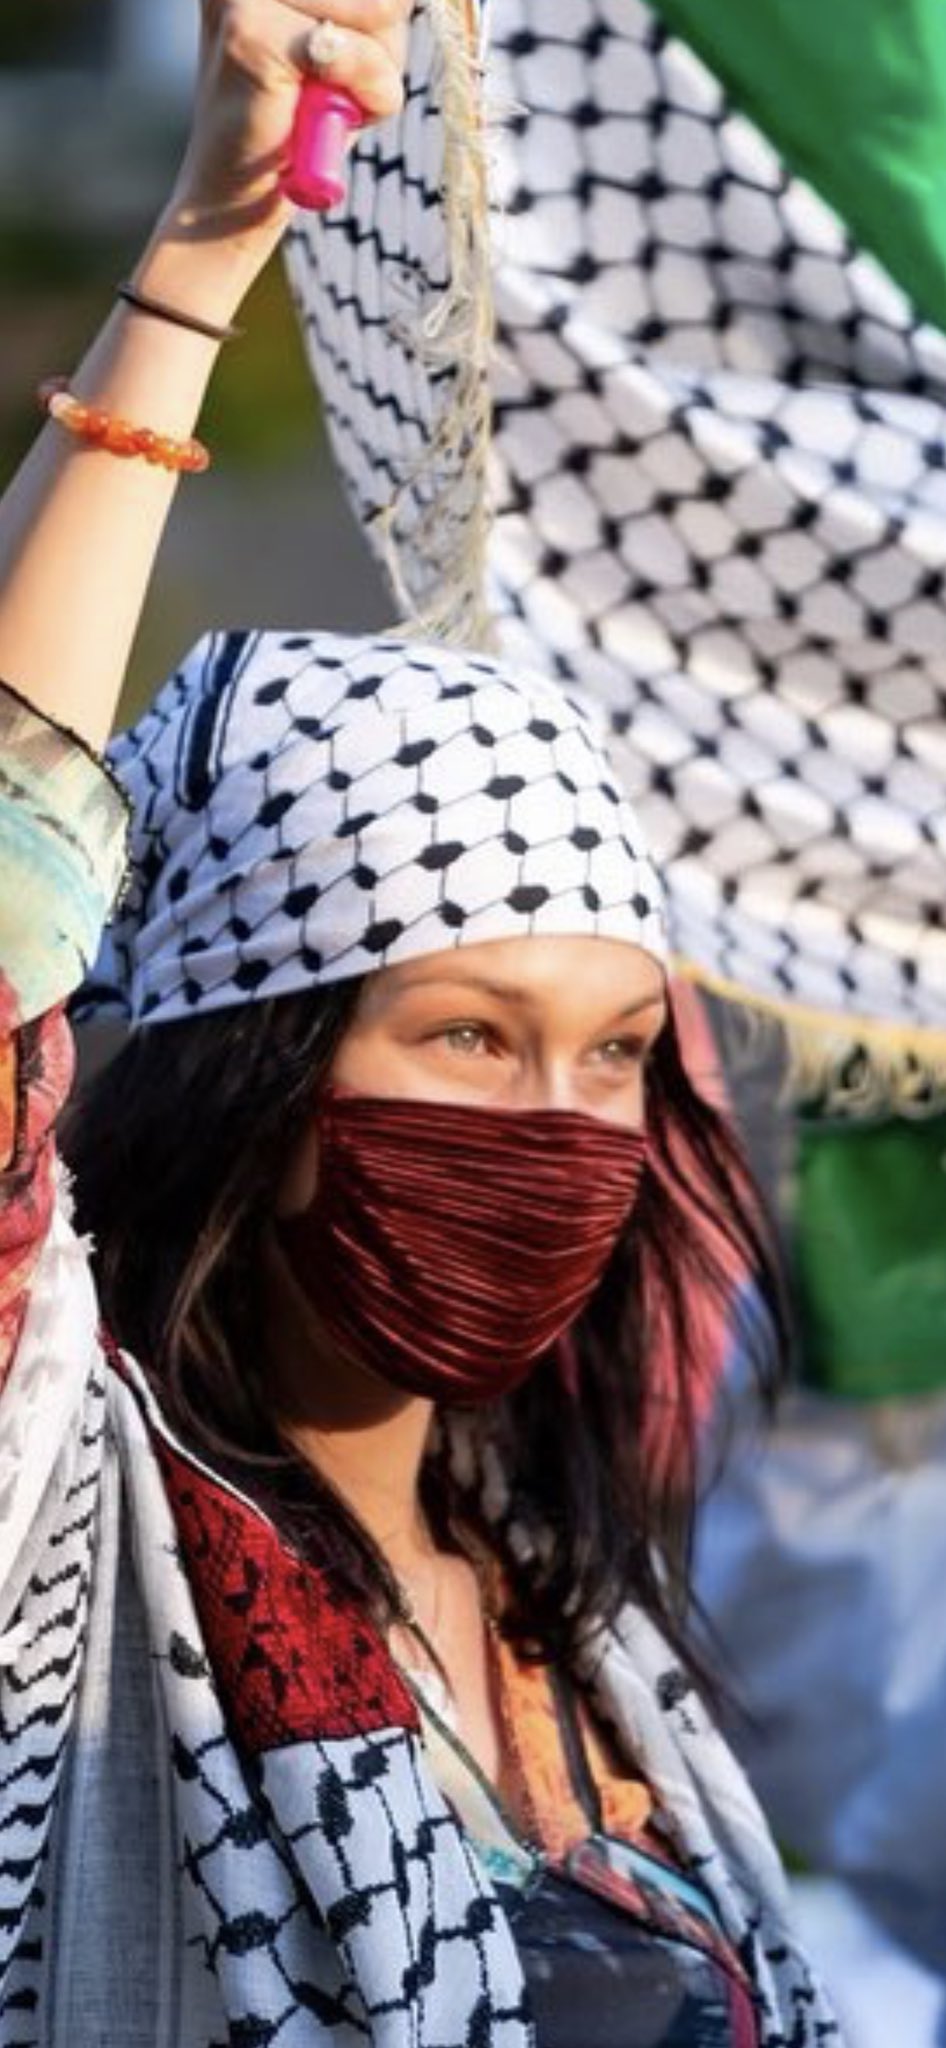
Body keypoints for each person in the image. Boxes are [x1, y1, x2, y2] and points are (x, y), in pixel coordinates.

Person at [0, 3, 839, 2042]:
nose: (561, 1121)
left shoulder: (571, 1586)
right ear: (272, 1079)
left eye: (614, 1051)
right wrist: (201, 255)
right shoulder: (70, 1545)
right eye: (466, 1035)